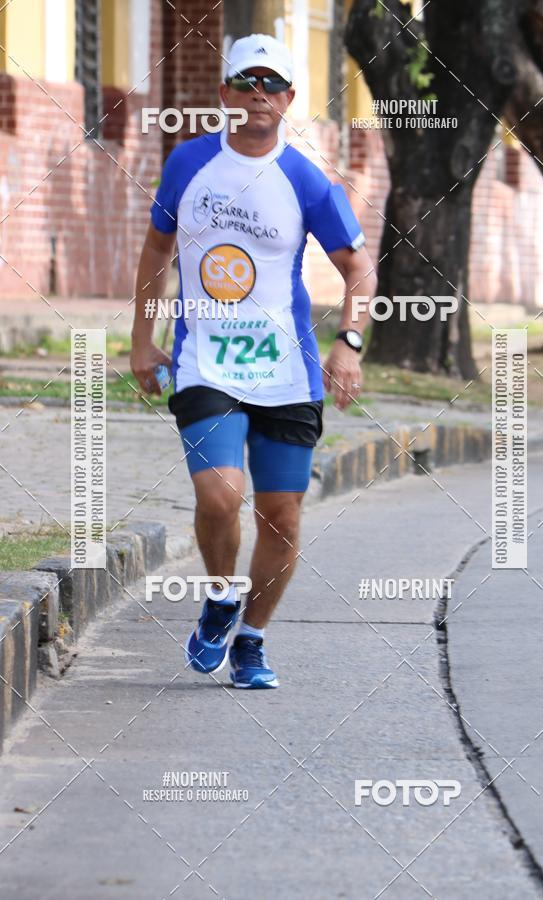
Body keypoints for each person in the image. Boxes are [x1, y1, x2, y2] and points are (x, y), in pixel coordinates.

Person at [130, 34, 376, 688]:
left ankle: (253, 639)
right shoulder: (188, 164)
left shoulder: (305, 178)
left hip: (287, 372)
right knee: (221, 493)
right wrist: (140, 338)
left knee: (282, 514)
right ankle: (219, 596)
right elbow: (156, 251)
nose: (258, 94)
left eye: (272, 84)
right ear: (224, 94)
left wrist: (349, 344)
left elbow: (358, 269)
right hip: (204, 362)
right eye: (246, 82)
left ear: (290, 99)